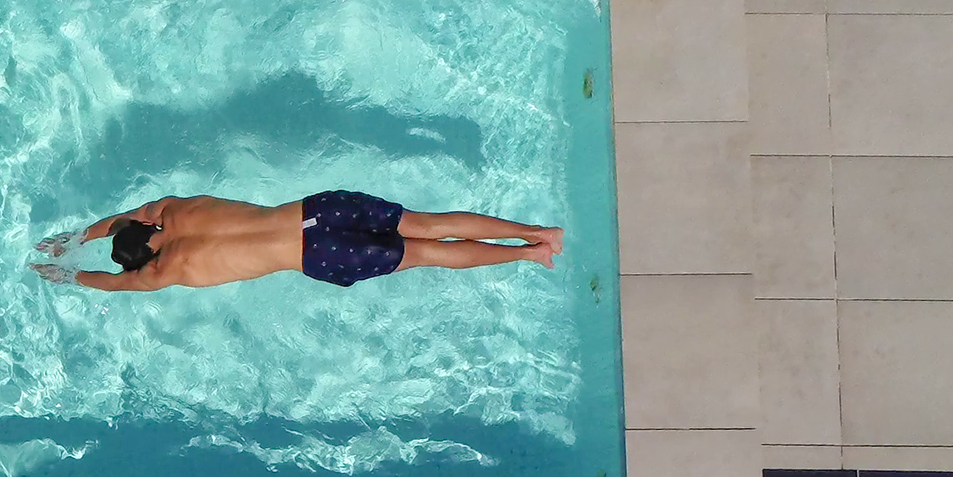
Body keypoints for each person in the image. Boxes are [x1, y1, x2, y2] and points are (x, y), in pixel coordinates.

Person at [29, 190, 559, 292]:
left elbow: (116, 284)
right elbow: (124, 218)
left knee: (428, 255)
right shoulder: (171, 209)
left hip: (317, 254)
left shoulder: (165, 270)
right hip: (314, 211)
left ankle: (533, 255)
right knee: (426, 223)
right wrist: (76, 236)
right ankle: (539, 232)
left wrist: (70, 273)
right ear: (145, 228)